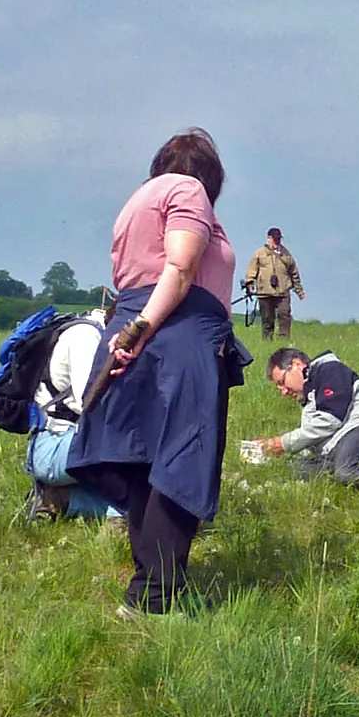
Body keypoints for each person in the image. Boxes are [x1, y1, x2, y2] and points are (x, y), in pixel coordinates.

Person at [67, 128, 252, 618]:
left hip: (136, 325)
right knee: (182, 459)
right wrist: (144, 329)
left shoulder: (136, 202)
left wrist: (131, 330)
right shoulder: (186, 190)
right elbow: (182, 264)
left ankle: (152, 588)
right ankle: (154, 596)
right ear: (207, 173)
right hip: (177, 331)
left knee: (143, 463)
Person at [255, 347, 359, 488]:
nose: (284, 392)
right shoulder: (310, 397)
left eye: (282, 382)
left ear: (297, 364)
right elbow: (316, 440)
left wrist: (282, 443)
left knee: (347, 470)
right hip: (341, 444)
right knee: (294, 469)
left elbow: (330, 420)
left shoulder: (329, 370)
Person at [21, 308, 123, 521]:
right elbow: (89, 404)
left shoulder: (93, 332)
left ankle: (59, 499)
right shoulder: (85, 337)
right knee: (137, 453)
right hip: (54, 446)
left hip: (62, 441)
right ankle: (121, 521)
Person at [242, 227, 305, 340]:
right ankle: (267, 340)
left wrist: (299, 291)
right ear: (268, 239)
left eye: (279, 239)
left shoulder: (286, 254)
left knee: (284, 315)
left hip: (283, 291)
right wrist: (250, 285)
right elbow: (251, 271)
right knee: (267, 319)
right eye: (274, 239)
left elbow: (294, 273)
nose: (277, 241)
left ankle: (283, 341)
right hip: (265, 292)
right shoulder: (259, 253)